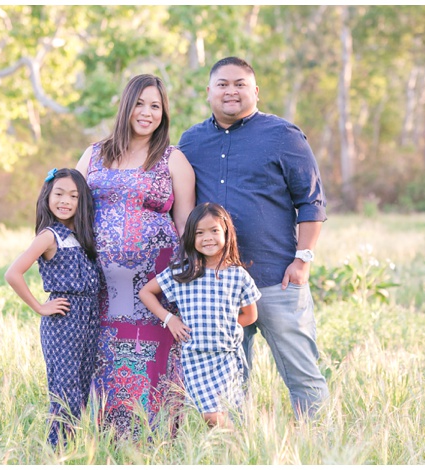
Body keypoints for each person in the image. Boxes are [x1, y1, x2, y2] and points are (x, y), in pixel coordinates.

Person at [178, 56, 329, 418]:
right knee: (229, 380)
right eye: (223, 84)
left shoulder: (283, 136)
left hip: (278, 278)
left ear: (255, 91)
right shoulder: (191, 141)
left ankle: (318, 446)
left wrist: (302, 260)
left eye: (240, 84)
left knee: (302, 374)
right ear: (209, 92)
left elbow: (312, 202)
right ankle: (240, 450)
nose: (231, 91)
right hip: (219, 284)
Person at [76, 74, 195, 439]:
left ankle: (156, 441)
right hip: (101, 290)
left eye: (155, 106)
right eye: (140, 104)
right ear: (126, 106)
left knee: (152, 360)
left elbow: (186, 226)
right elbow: (69, 209)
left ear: (164, 113)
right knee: (103, 360)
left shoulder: (173, 159)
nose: (147, 113)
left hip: (154, 290)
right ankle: (106, 442)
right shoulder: (95, 154)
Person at [139, 202, 260, 429]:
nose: (207, 238)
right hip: (195, 357)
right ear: (191, 238)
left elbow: (250, 315)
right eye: (199, 233)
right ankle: (237, 443)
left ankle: (235, 453)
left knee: (225, 412)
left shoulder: (237, 275)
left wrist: (224, 327)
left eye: (214, 230)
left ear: (226, 232)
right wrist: (169, 319)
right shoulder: (182, 271)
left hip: (226, 357)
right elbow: (146, 292)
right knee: (210, 416)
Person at [4, 167, 102, 447]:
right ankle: (56, 451)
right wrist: (39, 307)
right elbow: (13, 273)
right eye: (59, 193)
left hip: (89, 318)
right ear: (47, 195)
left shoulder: (82, 235)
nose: (66, 201)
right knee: (65, 391)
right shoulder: (49, 236)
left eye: (73, 196)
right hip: (64, 320)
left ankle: (73, 449)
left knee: (82, 391)